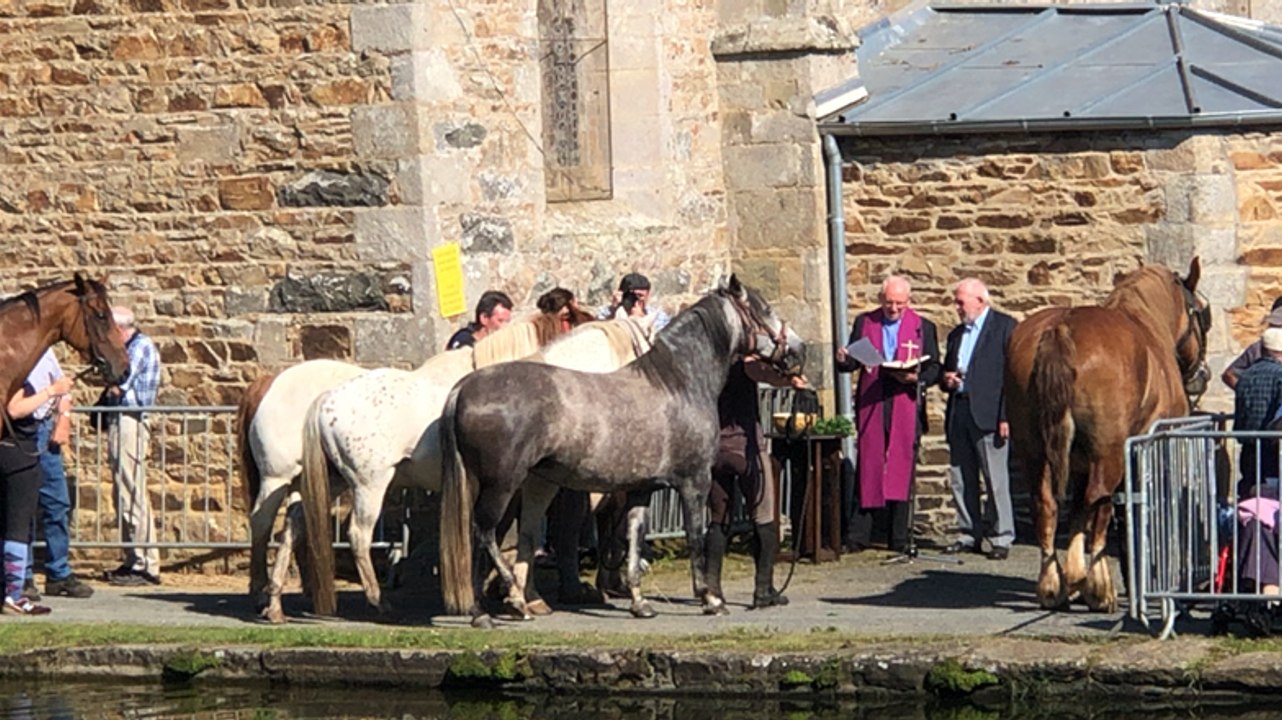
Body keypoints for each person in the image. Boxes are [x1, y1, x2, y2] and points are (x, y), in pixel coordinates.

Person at [834, 275, 941, 552]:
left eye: (900, 304)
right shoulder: (865, 322)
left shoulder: (923, 327)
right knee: (869, 464)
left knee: (901, 466)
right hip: (874, 402)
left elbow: (934, 369)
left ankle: (899, 538)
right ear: (881, 299)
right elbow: (851, 365)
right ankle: (858, 536)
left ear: (909, 301)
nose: (894, 309)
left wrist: (916, 379)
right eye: (889, 303)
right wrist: (843, 359)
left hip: (904, 401)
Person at [704, 356, 808, 612]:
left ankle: (712, 589)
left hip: (714, 448)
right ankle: (763, 589)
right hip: (746, 447)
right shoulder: (743, 360)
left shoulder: (707, 359)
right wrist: (790, 379)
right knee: (763, 515)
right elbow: (765, 374)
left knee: (718, 519)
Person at [940, 278, 1018, 560]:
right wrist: (946, 379)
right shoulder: (956, 334)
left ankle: (1001, 536)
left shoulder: (1005, 328)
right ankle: (968, 532)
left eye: (961, 302)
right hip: (960, 410)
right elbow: (947, 372)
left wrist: (1005, 416)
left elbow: (1012, 377)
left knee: (995, 479)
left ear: (980, 301)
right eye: (956, 302)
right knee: (961, 477)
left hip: (989, 413)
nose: (957, 307)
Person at [22, 350, 94, 600]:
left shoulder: (44, 352)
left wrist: (63, 420)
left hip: (46, 431)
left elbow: (63, 388)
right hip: (22, 431)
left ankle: (58, 573)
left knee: (58, 504)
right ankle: (22, 576)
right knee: (22, 508)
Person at [2, 370, 72, 615]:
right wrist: (51, 391)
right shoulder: (13, 373)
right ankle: (13, 595)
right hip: (16, 453)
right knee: (17, 528)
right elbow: (15, 409)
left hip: (18, 450)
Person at [104, 306, 163, 587]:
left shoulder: (139, 348)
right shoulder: (133, 347)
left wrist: (105, 378)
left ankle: (145, 563)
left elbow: (119, 386)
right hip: (122, 419)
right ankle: (133, 558)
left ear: (121, 329)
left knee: (132, 490)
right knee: (123, 490)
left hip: (131, 420)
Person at [1233, 328, 1282, 496]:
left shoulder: (1245, 375)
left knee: (1250, 493)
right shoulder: (1280, 374)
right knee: (1271, 496)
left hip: (1247, 445)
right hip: (1273, 447)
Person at [1223, 298, 1282, 390]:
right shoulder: (1257, 348)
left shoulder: (1257, 348)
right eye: (1274, 324)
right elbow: (1229, 374)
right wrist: (1247, 394)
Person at [597, 273, 670, 331]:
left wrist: (641, 318)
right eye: (632, 295)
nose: (635, 299)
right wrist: (614, 311)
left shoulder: (659, 317)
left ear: (648, 295)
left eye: (640, 296)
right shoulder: (605, 313)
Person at [446, 291, 514, 350]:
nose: (505, 327)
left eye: (507, 321)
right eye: (500, 321)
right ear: (484, 318)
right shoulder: (463, 342)